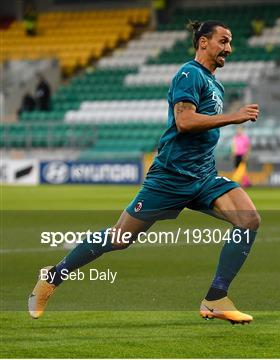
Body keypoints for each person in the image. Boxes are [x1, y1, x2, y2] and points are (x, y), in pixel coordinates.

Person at [28, 20, 261, 324]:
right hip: (170, 176)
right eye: (223, 41)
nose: (229, 49)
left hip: (203, 176)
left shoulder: (215, 84)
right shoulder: (189, 74)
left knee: (249, 219)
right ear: (203, 42)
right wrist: (234, 118)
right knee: (120, 238)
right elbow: (185, 122)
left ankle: (215, 298)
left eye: (230, 43)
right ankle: (52, 277)